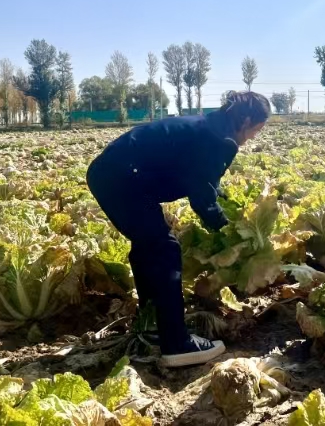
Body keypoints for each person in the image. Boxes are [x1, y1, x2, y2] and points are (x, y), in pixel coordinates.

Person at [87, 91, 271, 368]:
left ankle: (151, 322)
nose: (256, 134)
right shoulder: (219, 139)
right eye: (258, 127)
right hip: (123, 180)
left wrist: (222, 198)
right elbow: (201, 196)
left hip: (115, 175)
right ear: (246, 120)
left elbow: (199, 172)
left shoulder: (210, 126)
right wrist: (225, 229)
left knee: (148, 245)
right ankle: (177, 343)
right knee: (165, 248)